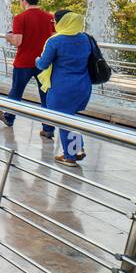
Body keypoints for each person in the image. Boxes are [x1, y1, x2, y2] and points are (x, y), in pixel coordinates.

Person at [0, 0, 56, 138]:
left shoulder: (20, 18)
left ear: (24, 1)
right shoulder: (49, 17)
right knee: (45, 95)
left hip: (24, 62)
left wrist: (8, 36)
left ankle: (9, 118)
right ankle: (48, 129)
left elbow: (17, 41)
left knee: (16, 91)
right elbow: (54, 37)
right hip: (44, 62)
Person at [36, 10, 93, 166]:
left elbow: (43, 64)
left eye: (54, 22)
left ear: (61, 23)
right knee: (71, 117)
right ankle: (77, 148)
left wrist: (37, 60)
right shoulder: (86, 39)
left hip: (62, 87)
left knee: (62, 119)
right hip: (83, 86)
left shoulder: (55, 41)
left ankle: (70, 157)